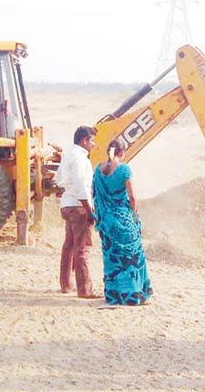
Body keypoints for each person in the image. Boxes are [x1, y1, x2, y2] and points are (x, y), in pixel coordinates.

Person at [92, 140, 153, 306]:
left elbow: (95, 196)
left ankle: (114, 296)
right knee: (133, 256)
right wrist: (133, 215)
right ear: (122, 152)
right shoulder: (125, 169)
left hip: (106, 221)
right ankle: (135, 295)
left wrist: (100, 218)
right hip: (123, 219)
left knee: (112, 258)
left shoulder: (98, 170)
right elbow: (132, 197)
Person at [54, 126, 101, 299]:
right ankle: (85, 290)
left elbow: (58, 180)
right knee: (81, 249)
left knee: (69, 245)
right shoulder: (81, 159)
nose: (93, 144)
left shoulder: (68, 156)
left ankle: (66, 284)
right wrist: (89, 211)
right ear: (84, 141)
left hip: (67, 204)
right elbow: (82, 187)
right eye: (92, 141)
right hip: (78, 206)